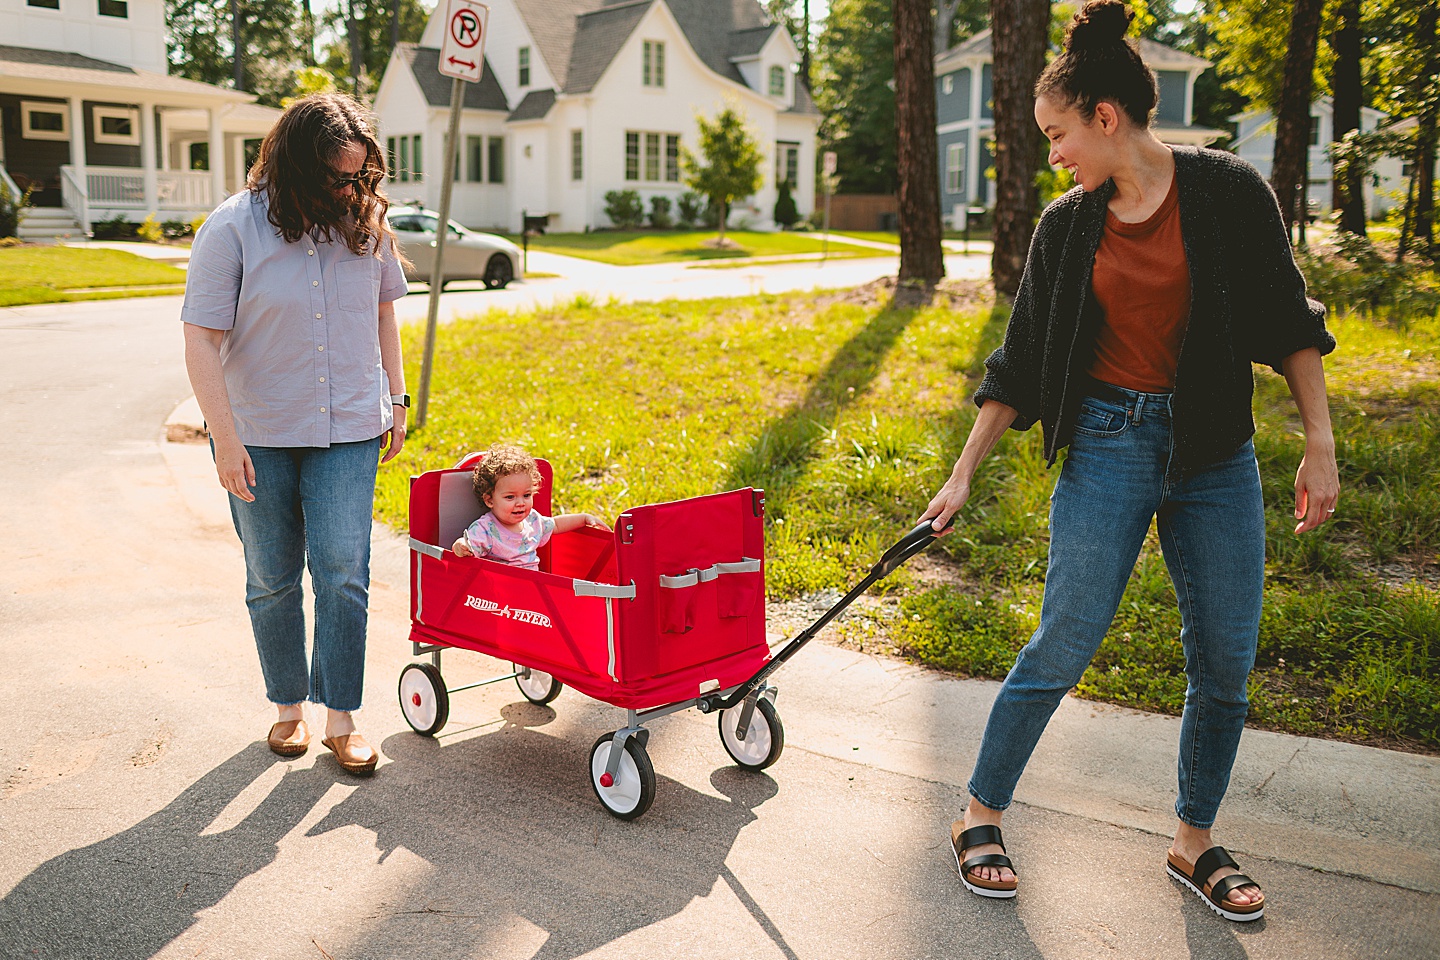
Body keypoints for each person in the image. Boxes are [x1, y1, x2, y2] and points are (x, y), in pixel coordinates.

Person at [920, 0, 1338, 922]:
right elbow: (1019, 362)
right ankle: (977, 815)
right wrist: (961, 474)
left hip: (1216, 453)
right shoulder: (1068, 228)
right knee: (1063, 641)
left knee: (1225, 660)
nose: (1053, 155)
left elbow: (1288, 320)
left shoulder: (1230, 191)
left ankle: (1193, 843)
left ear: (1106, 117)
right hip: (1109, 443)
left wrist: (1319, 439)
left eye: (1057, 134)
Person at [182, 93, 410, 777]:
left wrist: (396, 399)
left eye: (360, 176)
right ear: (300, 167)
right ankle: (288, 708)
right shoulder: (232, 228)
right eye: (339, 177)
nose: (352, 189)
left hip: (348, 428)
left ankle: (342, 718)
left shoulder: (365, 223)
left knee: (344, 572)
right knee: (272, 577)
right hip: (260, 432)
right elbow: (201, 337)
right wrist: (224, 439)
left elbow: (383, 315)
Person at [452, 444, 611, 569]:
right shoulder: (487, 528)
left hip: (531, 592)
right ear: (489, 501)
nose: (520, 502)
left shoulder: (532, 521)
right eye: (510, 497)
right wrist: (461, 546)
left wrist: (583, 518)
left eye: (526, 495)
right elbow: (469, 542)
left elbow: (555, 524)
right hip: (499, 597)